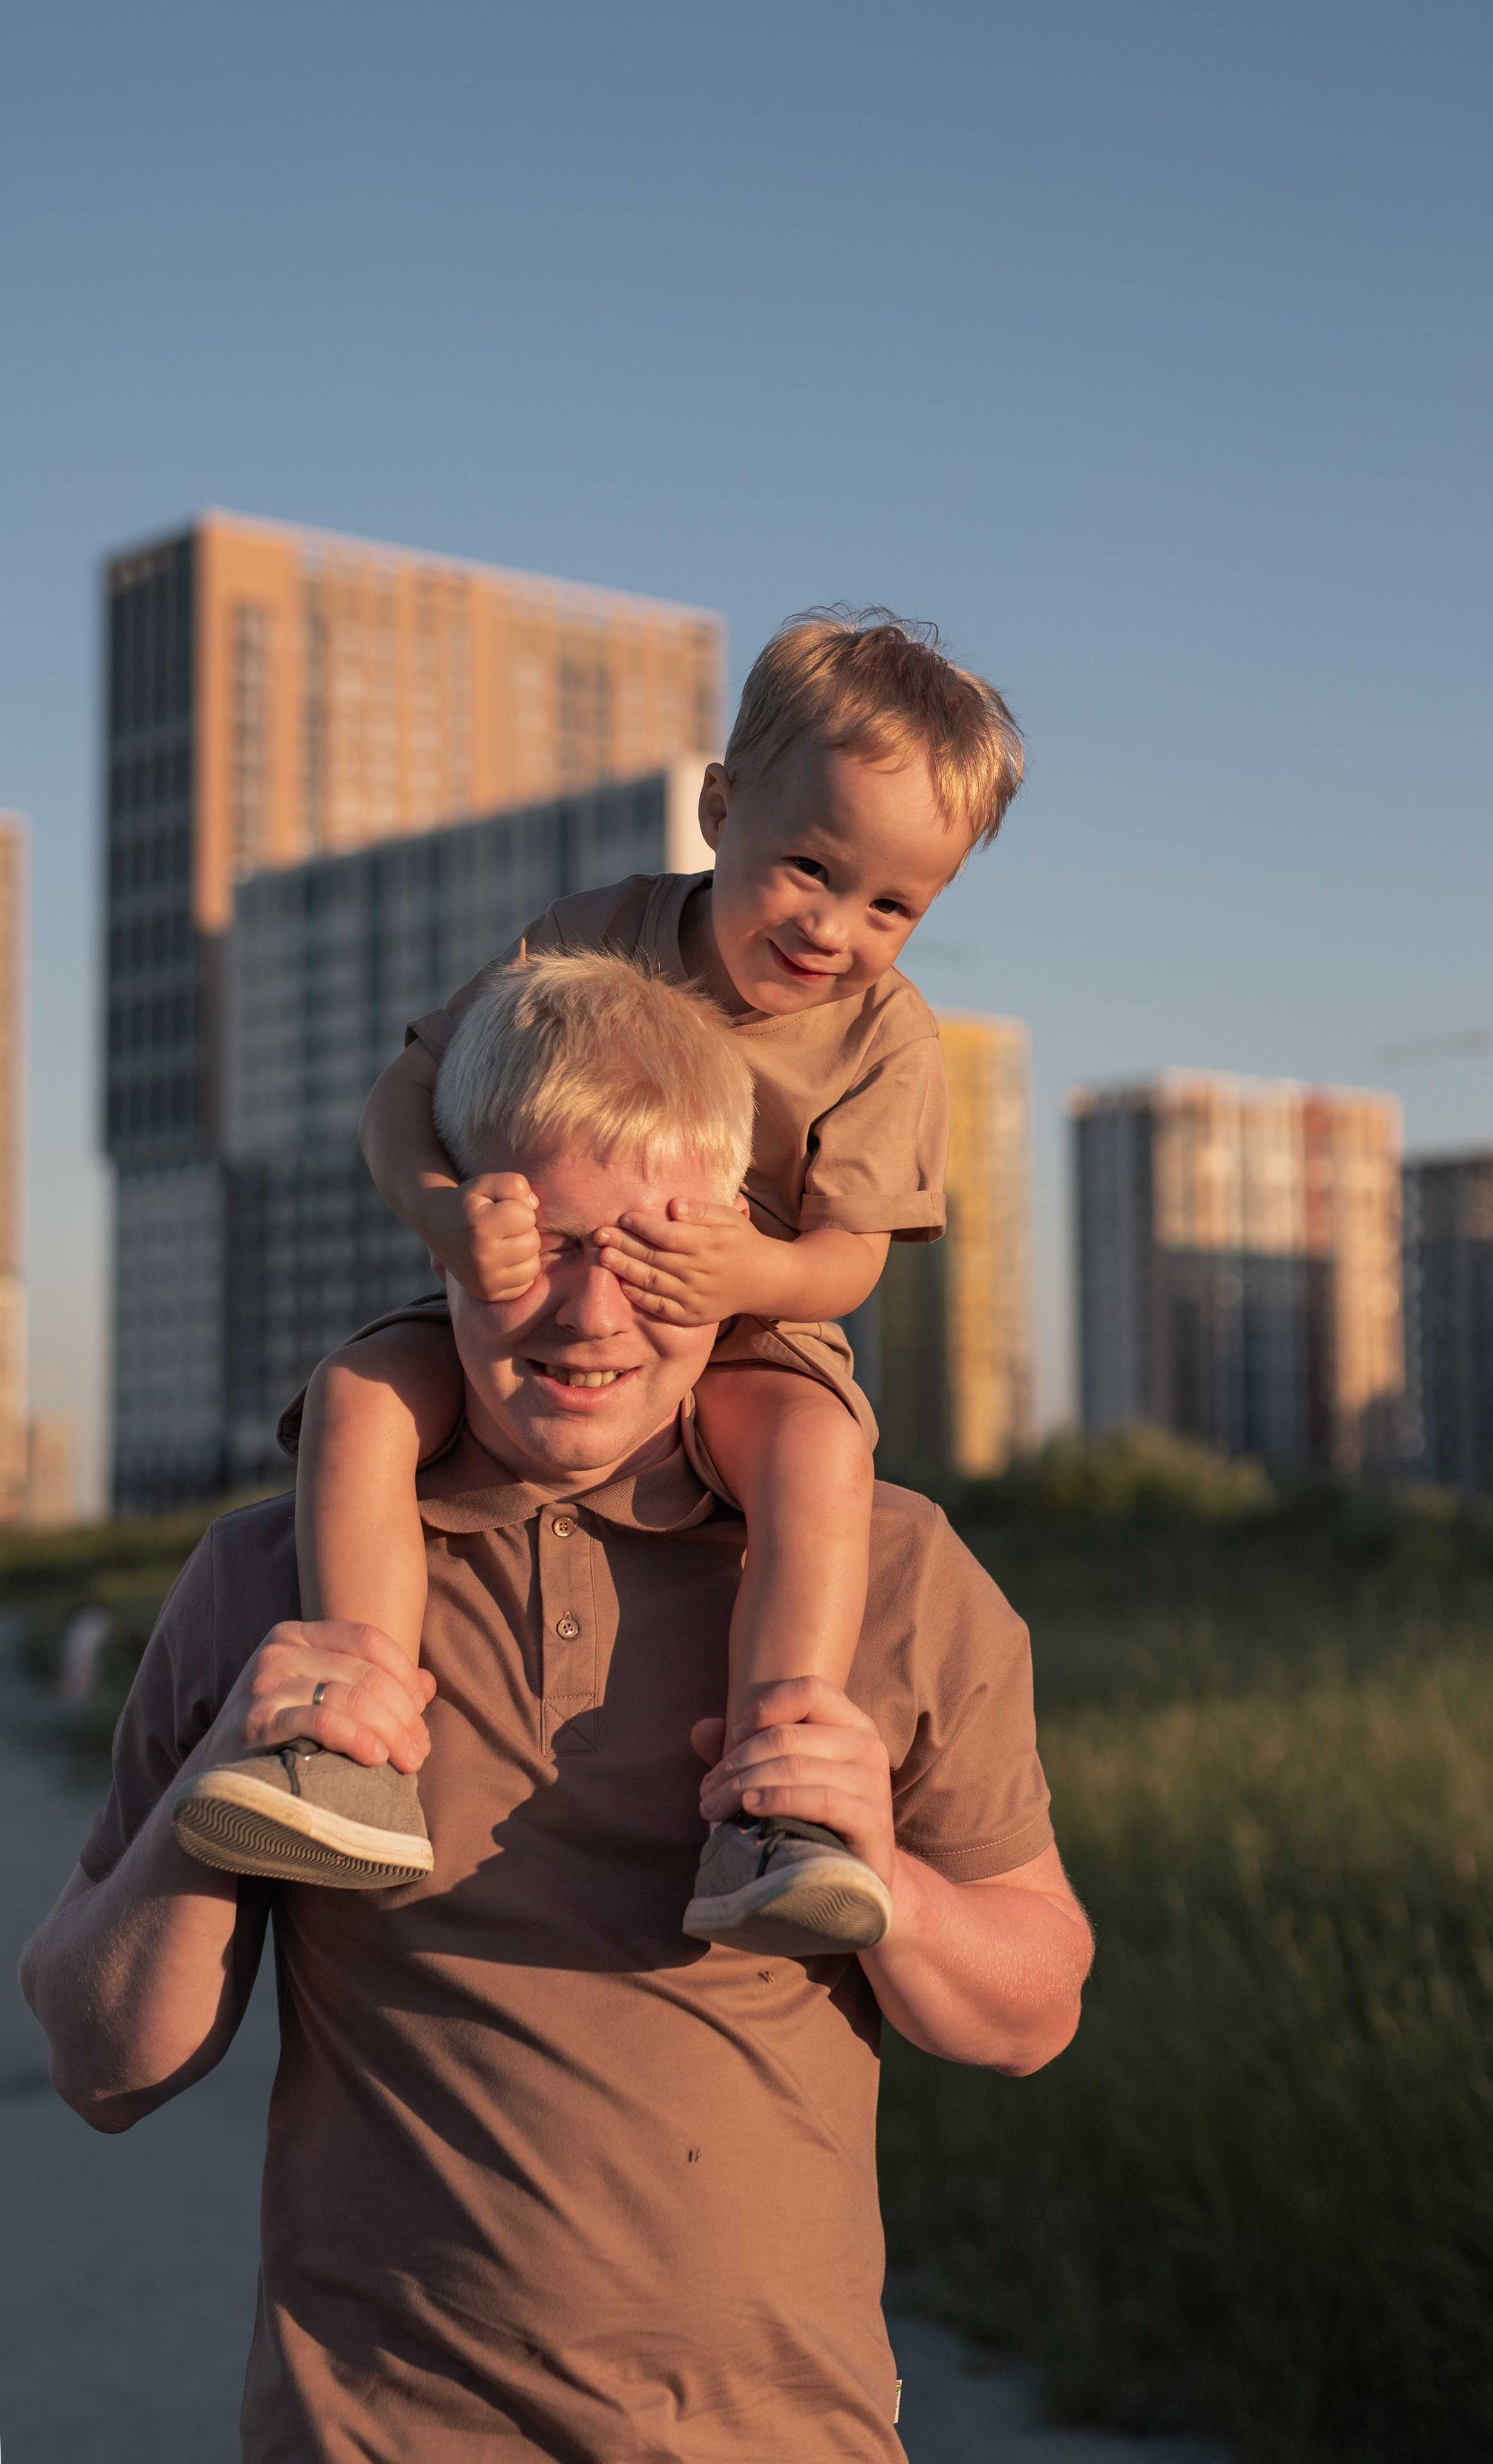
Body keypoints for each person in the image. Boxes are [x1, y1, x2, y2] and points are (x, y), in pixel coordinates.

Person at [21, 949, 1091, 2463]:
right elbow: (99, 2062)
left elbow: (1035, 2011)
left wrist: (892, 1889)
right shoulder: (274, 1571)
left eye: (654, 1251)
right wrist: (215, 1802)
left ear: (732, 1244)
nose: (594, 1313)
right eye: (546, 1242)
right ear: (445, 1219)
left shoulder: (892, 1570)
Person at [187, 609, 1026, 1958]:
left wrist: (748, 1268)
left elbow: (849, 1259)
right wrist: (448, 1213)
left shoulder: (886, 1038)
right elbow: (405, 1094)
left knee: (813, 1453)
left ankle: (778, 1794)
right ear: (718, 806)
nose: (834, 928)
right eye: (809, 868)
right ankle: (352, 1733)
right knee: (359, 1395)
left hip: (737, 1328)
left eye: (891, 907)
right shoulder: (598, 934)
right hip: (526, 1279)